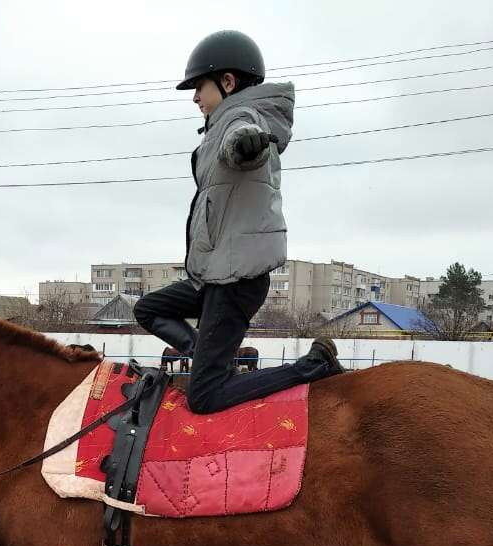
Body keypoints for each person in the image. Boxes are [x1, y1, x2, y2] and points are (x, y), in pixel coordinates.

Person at [134, 30, 345, 414]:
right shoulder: (223, 124)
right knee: (147, 309)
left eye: (199, 87)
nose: (195, 98)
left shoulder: (241, 118)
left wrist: (245, 142)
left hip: (235, 280)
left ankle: (313, 366)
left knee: (203, 397)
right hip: (215, 275)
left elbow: (244, 141)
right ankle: (209, 356)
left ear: (227, 82)